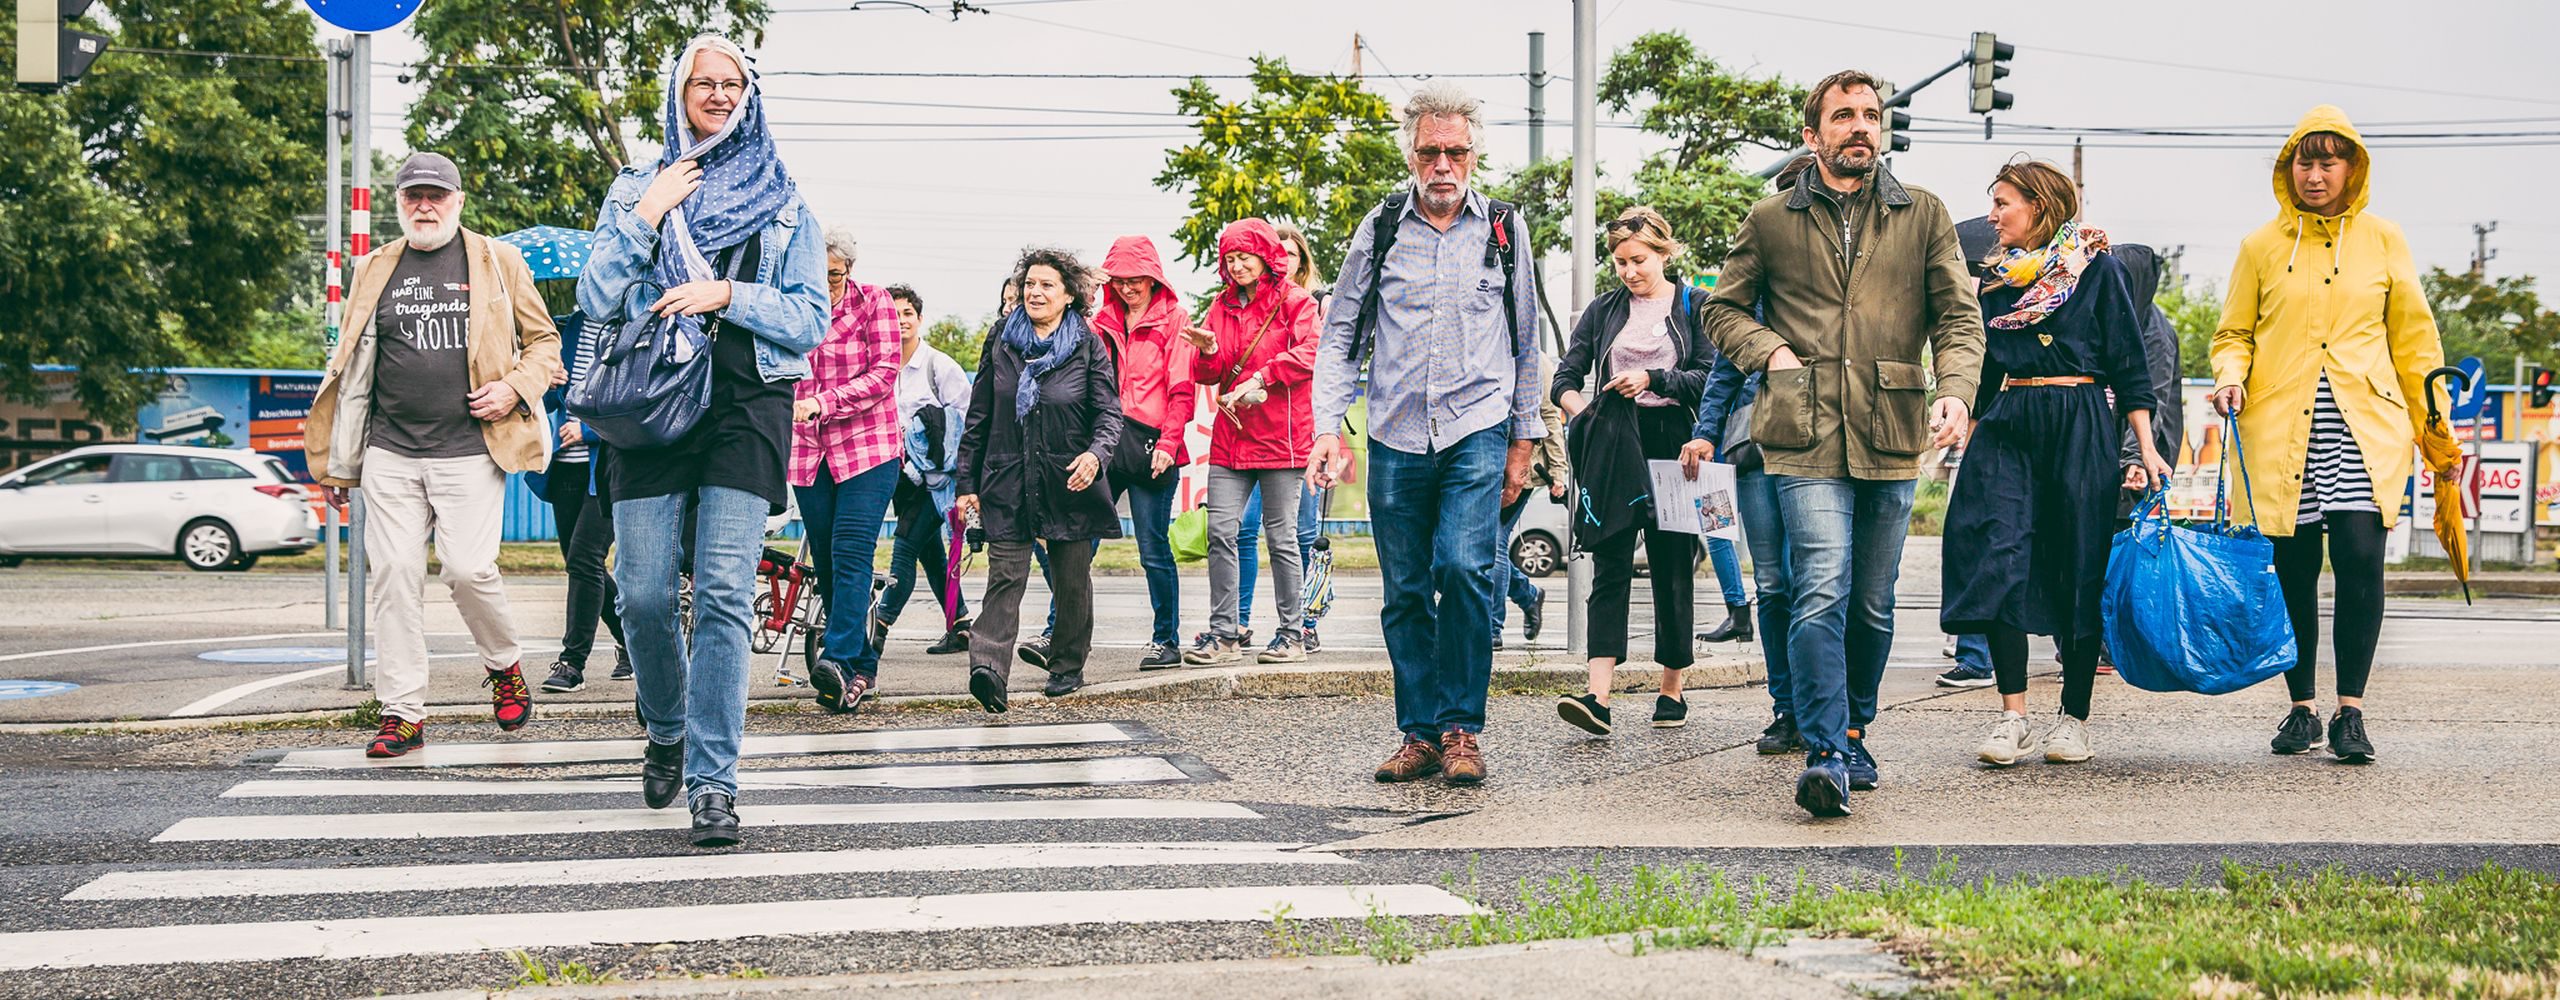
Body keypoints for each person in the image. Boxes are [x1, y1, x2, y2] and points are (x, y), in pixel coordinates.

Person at [1700, 70, 1984, 818]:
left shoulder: (1923, 214)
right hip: (1802, 431)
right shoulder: (1770, 220)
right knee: (1818, 588)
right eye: (1844, 116)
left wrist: (1955, 387)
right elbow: (1722, 312)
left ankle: (1857, 726)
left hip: (1893, 428)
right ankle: (1826, 749)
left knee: (1873, 603)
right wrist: (1771, 352)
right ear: (1812, 134)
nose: (1860, 126)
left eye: (1870, 115)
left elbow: (1958, 316)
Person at [577, 35, 829, 847]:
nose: (719, 95)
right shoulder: (636, 185)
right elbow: (597, 296)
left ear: (750, 97)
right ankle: (665, 724)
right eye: (703, 82)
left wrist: (728, 293)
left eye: (733, 83)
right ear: (676, 91)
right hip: (653, 402)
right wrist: (647, 215)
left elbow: (810, 319)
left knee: (723, 591)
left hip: (747, 404)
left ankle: (713, 783)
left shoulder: (787, 200)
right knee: (643, 593)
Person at [1311, 83, 1542, 787]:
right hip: (1396, 431)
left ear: (1473, 155)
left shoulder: (1504, 227)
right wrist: (1328, 426)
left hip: (1477, 425)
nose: (1444, 164)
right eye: (1431, 151)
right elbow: (1341, 332)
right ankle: (1418, 732)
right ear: (1412, 154)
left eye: (1457, 152)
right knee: (1406, 586)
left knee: (1464, 570)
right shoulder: (1380, 227)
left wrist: (1524, 440)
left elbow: (1527, 341)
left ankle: (1462, 727)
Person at [2211, 107, 2445, 765]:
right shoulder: (2260, 246)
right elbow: (2234, 333)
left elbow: (2416, 343)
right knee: (2293, 570)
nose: (2314, 175)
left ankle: (2352, 713)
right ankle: (2300, 708)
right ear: (2289, 170)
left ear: (2351, 168)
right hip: (2281, 428)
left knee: (2360, 559)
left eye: (2327, 162)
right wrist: (2231, 375)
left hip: (2364, 426)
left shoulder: (2383, 239)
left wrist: (2438, 435)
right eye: (2303, 163)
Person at [305, 151, 559, 759]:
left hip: (471, 449)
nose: (425, 206)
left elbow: (545, 343)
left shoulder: (499, 261)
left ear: (458, 200)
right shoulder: (372, 267)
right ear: (399, 202)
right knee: (393, 577)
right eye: (414, 196)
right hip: (390, 451)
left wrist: (514, 387)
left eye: (436, 195)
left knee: (469, 571)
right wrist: (339, 462)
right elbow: (351, 370)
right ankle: (402, 714)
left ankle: (505, 666)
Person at [1945, 160, 2171, 767]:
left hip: (2079, 421)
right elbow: (1983, 365)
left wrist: (2146, 447)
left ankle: (2073, 717)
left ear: (2040, 205)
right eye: (1992, 204)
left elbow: (2129, 364)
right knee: (1999, 559)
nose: (1992, 216)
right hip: (2008, 423)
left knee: (2079, 562)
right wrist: (1964, 417)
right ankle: (2012, 715)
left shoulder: (2096, 268)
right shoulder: (1993, 279)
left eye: (2003, 204)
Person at [1550, 205, 1717, 734]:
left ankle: (1672, 689)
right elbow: (1566, 376)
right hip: (1614, 444)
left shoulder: (1696, 305)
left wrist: (1653, 379)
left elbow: (1711, 379)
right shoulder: (1603, 310)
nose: (1629, 271)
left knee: (1672, 567)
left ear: (1665, 253)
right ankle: (1597, 695)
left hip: (1677, 444)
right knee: (1610, 562)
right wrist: (1584, 413)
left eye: (1639, 260)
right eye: (1620, 262)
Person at [955, 246, 1125, 711]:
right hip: (1007, 475)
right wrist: (966, 482)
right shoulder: (1001, 339)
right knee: (1005, 576)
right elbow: (980, 414)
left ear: (1070, 295)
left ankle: (1067, 664)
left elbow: (1109, 413)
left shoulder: (1089, 344)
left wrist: (1095, 456)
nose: (1035, 292)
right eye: (1030, 283)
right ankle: (988, 669)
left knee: (1072, 580)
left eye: (1047, 284)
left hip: (1067, 477)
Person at [1183, 218, 1321, 666]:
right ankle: (1224, 635)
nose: (1237, 265)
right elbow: (1208, 374)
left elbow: (1310, 354)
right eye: (1230, 259)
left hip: (1282, 437)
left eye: (1245, 256)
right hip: (1232, 436)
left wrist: (1264, 374)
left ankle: (1292, 634)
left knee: (1281, 538)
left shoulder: (1296, 302)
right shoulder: (1219, 307)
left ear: (1266, 256)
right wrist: (1205, 350)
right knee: (1221, 531)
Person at [786, 228, 903, 714]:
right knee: (829, 567)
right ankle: (862, 665)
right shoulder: (792, 305)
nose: (826, 284)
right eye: (817, 275)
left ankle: (835, 660)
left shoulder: (873, 303)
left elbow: (885, 372)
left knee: (851, 552)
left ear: (848, 270)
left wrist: (825, 401)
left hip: (868, 448)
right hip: (808, 454)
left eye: (833, 275)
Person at [1088, 235, 1196, 669]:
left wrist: (1169, 443)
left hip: (1153, 444)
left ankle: (1165, 640)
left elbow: (1182, 390)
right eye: (1119, 280)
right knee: (1082, 541)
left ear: (1154, 279)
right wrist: (1088, 289)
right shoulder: (1099, 320)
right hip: (1107, 441)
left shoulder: (1175, 319)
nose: (1128, 288)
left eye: (1137, 279)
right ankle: (1060, 630)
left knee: (1153, 548)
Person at [873, 284, 974, 656]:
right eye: (892, 314)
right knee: (930, 554)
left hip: (937, 483)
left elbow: (968, 422)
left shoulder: (938, 366)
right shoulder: (878, 365)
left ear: (919, 319)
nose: (900, 321)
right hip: (901, 481)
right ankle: (960, 624)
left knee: (904, 549)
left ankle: (878, 628)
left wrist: (964, 479)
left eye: (907, 314)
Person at [538, 313, 631, 693]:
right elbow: (545, 402)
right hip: (565, 469)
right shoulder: (564, 331)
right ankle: (632, 640)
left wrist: (589, 431)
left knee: (584, 558)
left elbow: (633, 401)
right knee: (581, 564)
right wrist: (547, 383)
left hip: (609, 469)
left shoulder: (632, 326)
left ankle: (572, 663)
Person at [1492, 389, 1568, 649]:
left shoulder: (1536, 361)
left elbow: (1549, 416)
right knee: (1471, 546)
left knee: (1493, 543)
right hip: (1482, 463)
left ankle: (1491, 627)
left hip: (1522, 471)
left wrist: (1558, 471)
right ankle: (1528, 596)